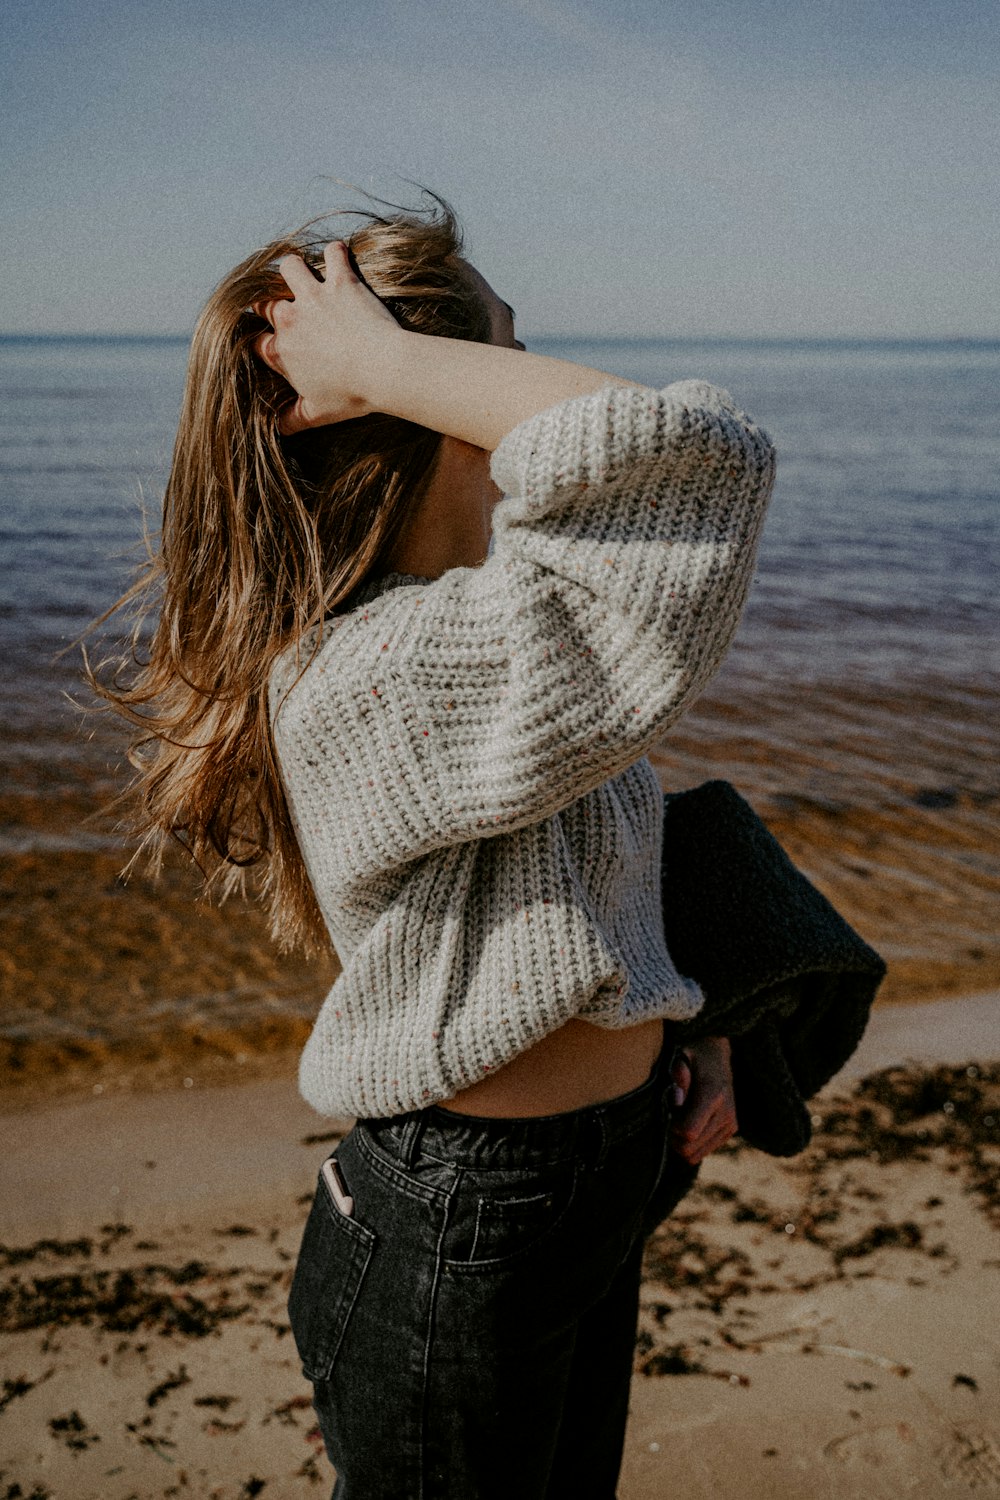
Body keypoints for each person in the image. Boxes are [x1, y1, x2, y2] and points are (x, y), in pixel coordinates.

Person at [92, 194, 776, 1498]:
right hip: (466, 1214)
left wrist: (706, 1030)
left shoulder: (484, 624)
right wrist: (396, 361)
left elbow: (595, 865)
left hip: (586, 1177)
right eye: (497, 367)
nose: (517, 397)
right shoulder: (370, 673)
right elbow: (698, 463)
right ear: (408, 416)